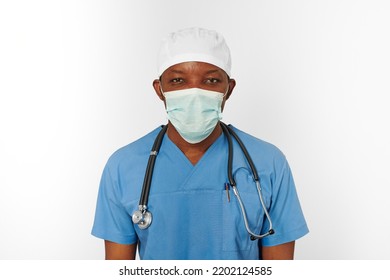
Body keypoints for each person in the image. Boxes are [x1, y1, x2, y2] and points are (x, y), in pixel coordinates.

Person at [91, 27, 309, 260]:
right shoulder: (123, 167)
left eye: (211, 80)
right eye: (177, 80)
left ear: (229, 89)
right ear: (160, 89)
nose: (194, 92)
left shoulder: (269, 163)